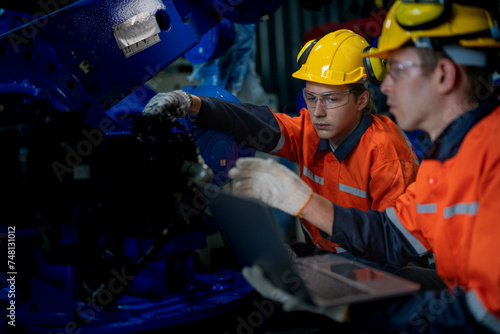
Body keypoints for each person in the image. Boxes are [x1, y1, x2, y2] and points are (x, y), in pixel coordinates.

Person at [228, 1, 500, 333]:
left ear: (443, 75)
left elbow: (485, 315)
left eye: (397, 70)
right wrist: (306, 204)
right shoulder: (446, 158)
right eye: (312, 97)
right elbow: (393, 235)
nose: (384, 87)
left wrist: (353, 310)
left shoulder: (491, 157)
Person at [143, 29, 419, 265]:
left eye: (331, 99)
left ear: (362, 100)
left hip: (376, 270)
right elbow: (258, 123)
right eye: (310, 98)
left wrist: (313, 251)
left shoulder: (385, 151)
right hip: (325, 256)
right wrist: (192, 103)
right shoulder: (312, 132)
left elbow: (393, 246)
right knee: (229, 262)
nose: (318, 112)